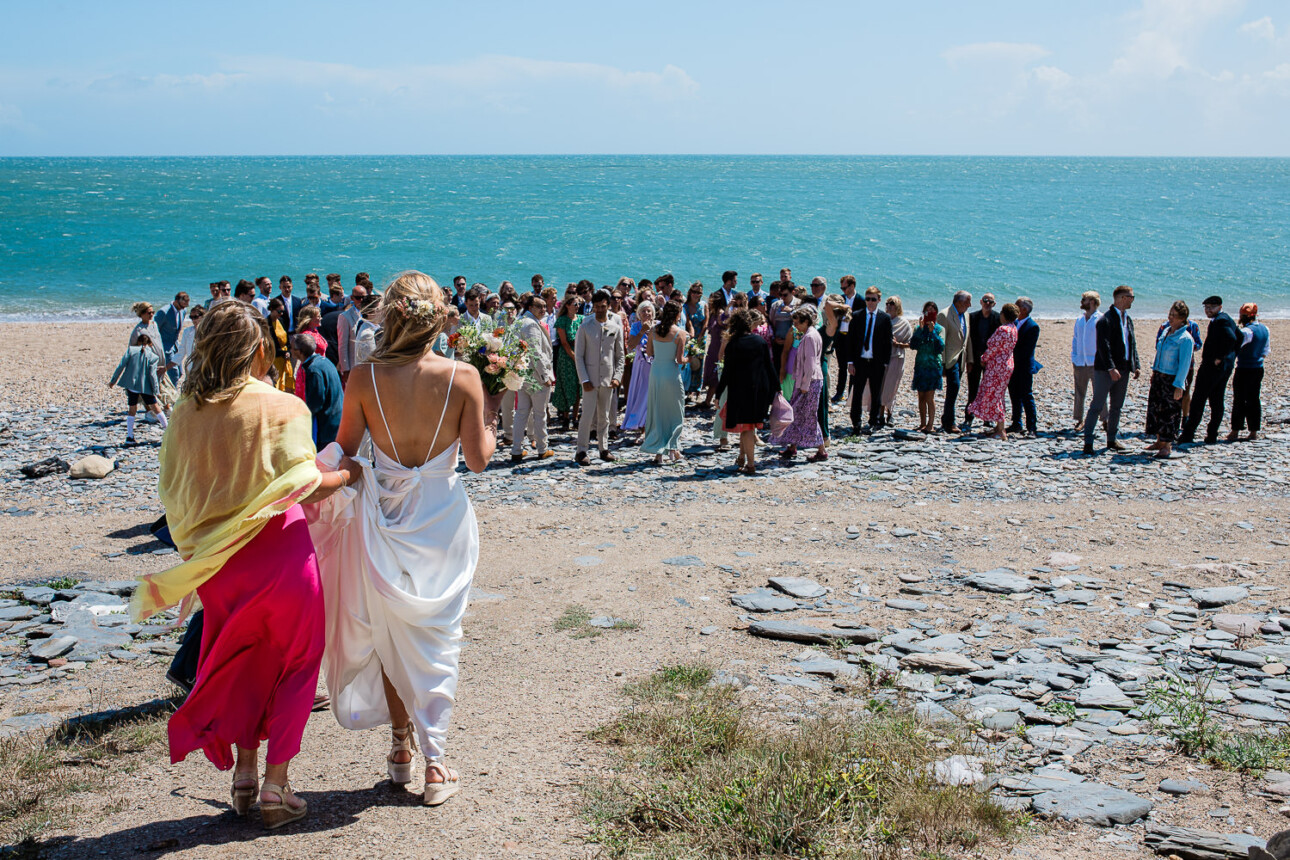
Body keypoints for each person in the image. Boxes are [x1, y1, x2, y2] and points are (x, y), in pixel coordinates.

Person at [132, 300, 353, 828]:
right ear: (258, 350)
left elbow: (174, 495)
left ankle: (245, 778)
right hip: (281, 553)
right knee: (297, 663)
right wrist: (348, 477)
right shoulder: (281, 406)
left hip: (221, 566)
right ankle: (277, 787)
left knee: (243, 663)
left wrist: (195, 555)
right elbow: (306, 482)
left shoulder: (184, 414)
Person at [307, 271, 493, 808]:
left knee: (391, 632)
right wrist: (491, 428)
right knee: (438, 636)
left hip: (386, 515)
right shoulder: (464, 377)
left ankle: (400, 749)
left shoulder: (365, 378)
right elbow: (478, 460)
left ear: (392, 315)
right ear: (438, 317)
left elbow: (343, 449)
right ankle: (436, 764)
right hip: (442, 518)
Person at [716, 309, 777, 475]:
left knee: (747, 427)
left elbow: (727, 372)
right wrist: (777, 388)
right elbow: (769, 366)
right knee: (748, 426)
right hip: (759, 389)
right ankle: (741, 456)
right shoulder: (759, 341)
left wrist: (718, 393)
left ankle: (751, 464)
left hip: (740, 389)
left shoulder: (733, 344)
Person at [1082, 285, 1139, 455]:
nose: (1132, 300)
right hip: (1106, 370)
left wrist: (1136, 365)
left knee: (1117, 406)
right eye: (1131, 297)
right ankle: (1088, 442)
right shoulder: (1105, 320)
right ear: (1122, 298)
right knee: (1097, 405)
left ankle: (1112, 439)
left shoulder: (1127, 319)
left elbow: (1132, 343)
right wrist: (1111, 367)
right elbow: (1103, 347)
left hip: (1124, 368)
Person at [1180, 295, 1241, 445]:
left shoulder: (1221, 321)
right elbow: (1239, 336)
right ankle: (1211, 435)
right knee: (1216, 399)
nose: (1208, 310)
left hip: (1212, 367)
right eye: (1206, 308)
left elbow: (1232, 338)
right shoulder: (1226, 319)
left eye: (1211, 307)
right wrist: (1232, 357)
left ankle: (1188, 434)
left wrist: (1221, 356)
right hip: (1223, 368)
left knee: (1199, 400)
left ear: (1220, 307)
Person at [574, 291, 625, 464]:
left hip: (608, 379)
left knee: (605, 415)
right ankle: (581, 450)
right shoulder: (585, 325)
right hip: (590, 378)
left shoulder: (615, 326)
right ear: (593, 307)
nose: (600, 310)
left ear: (608, 306)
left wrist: (617, 376)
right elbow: (579, 355)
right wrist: (584, 379)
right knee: (587, 415)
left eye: (603, 307)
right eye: (597, 307)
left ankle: (604, 448)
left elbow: (620, 355)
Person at [773, 305, 826, 462]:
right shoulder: (811, 334)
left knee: (808, 415)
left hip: (809, 382)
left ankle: (821, 450)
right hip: (809, 381)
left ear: (805, 321)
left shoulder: (809, 337)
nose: (794, 326)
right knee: (797, 413)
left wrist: (804, 386)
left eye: (797, 323)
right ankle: (792, 446)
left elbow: (810, 365)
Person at [1145, 301, 1196, 460]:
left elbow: (1185, 364)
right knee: (1156, 408)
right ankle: (1159, 440)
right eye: (1170, 314)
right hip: (1160, 374)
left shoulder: (1185, 338)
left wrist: (1179, 385)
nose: (1170, 318)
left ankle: (1167, 445)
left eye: (1174, 316)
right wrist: (1154, 371)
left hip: (1172, 378)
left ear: (1183, 319)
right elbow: (1159, 353)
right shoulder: (1166, 331)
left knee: (1169, 411)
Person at [640, 301, 689, 464]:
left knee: (658, 410)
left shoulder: (653, 330)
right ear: (677, 315)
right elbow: (679, 360)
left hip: (656, 372)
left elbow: (649, 352)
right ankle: (673, 448)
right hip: (671, 373)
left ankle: (658, 453)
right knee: (676, 411)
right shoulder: (680, 333)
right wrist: (691, 358)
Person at [511, 293, 555, 462]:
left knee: (521, 413)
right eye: (539, 306)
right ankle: (543, 448)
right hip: (536, 375)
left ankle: (516, 449)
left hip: (523, 374)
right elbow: (535, 352)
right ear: (530, 308)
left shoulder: (520, 322)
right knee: (539, 413)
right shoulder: (531, 325)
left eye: (544, 306)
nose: (543, 309)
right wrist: (545, 375)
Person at [968, 303, 1019, 440]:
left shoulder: (1003, 329)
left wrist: (983, 358)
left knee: (995, 394)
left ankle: (1001, 429)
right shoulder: (1013, 328)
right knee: (999, 393)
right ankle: (998, 426)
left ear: (1004, 314)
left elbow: (993, 347)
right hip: (1007, 363)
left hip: (997, 365)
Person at [847, 286, 893, 434]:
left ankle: (873, 421)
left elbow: (888, 342)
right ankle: (856, 422)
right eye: (868, 299)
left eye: (873, 299)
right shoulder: (857, 315)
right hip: (860, 361)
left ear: (879, 300)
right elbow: (851, 340)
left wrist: (885, 363)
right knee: (857, 392)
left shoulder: (884, 318)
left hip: (876, 362)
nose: (870, 302)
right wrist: (850, 362)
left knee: (876, 393)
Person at [109, 333, 166, 445]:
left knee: (132, 409)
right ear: (150, 344)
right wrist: (156, 390)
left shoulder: (131, 350)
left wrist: (113, 381)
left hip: (132, 385)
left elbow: (121, 366)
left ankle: (130, 436)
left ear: (138, 342)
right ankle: (168, 431)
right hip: (145, 386)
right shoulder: (153, 357)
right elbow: (152, 375)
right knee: (156, 407)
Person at [863, 295, 911, 427]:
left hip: (896, 357)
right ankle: (879, 414)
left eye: (892, 304)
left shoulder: (904, 323)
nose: (889, 306)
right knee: (879, 385)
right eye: (887, 303)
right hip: (880, 357)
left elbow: (911, 343)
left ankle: (889, 412)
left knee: (890, 386)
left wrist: (898, 344)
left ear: (898, 306)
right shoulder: (882, 319)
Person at [291, 335, 344, 448]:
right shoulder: (325, 362)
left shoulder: (314, 370)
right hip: (336, 423)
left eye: (292, 348)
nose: (290, 351)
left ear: (299, 352)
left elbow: (315, 403)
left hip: (327, 429)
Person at [1230, 302, 1270, 442]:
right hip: (1258, 368)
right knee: (1254, 399)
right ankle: (1253, 431)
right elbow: (1266, 351)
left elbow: (1236, 347)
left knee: (1239, 399)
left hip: (1244, 368)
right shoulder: (1265, 329)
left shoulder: (1247, 332)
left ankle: (1235, 430)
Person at [962, 294, 1000, 431]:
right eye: (985, 301)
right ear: (980, 302)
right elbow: (967, 340)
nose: (987, 303)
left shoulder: (998, 318)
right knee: (973, 389)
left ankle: (987, 418)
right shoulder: (972, 317)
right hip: (975, 358)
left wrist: (991, 358)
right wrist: (969, 360)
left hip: (991, 361)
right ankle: (969, 417)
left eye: (990, 301)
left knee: (989, 390)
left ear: (994, 304)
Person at [909, 301, 946, 434]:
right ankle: (922, 423)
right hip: (921, 365)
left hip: (933, 366)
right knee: (920, 396)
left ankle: (930, 424)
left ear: (935, 313)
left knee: (929, 397)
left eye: (931, 311)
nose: (929, 314)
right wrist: (919, 329)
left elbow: (940, 347)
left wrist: (932, 332)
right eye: (926, 311)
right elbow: (913, 345)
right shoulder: (919, 328)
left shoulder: (940, 329)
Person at [937, 291, 970, 433]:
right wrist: (942, 363)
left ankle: (947, 418)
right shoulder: (944, 315)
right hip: (950, 358)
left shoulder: (966, 315)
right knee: (954, 388)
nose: (970, 305)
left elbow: (967, 340)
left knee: (954, 390)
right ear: (960, 303)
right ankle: (950, 422)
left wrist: (970, 359)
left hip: (961, 357)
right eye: (968, 302)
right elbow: (941, 340)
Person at [622, 301, 656, 437]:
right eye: (644, 311)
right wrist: (642, 331)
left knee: (652, 393)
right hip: (641, 363)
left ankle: (650, 424)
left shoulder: (658, 325)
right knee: (641, 393)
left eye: (649, 311)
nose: (646, 314)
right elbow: (630, 345)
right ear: (639, 314)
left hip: (655, 363)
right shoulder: (636, 326)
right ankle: (640, 425)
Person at [1007, 297, 1040, 436]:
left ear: (1024, 309)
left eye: (1017, 306)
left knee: (1026, 395)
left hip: (1024, 366)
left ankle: (1032, 426)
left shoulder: (1032, 326)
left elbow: (1026, 349)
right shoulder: (1013, 323)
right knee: (1014, 395)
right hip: (1012, 366)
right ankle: (1016, 423)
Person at [1070, 291, 1102, 431]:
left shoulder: (1100, 319)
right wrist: (1074, 356)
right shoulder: (1080, 319)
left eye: (1085, 300)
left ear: (1093, 302)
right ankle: (1079, 419)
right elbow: (1076, 339)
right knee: (1079, 392)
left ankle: (1104, 419)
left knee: (1099, 392)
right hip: (1080, 361)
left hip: (1096, 362)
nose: (1082, 302)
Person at [552, 296, 583, 431]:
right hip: (566, 357)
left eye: (578, 304)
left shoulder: (582, 319)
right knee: (565, 385)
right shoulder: (562, 321)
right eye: (574, 304)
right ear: (567, 305)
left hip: (580, 353)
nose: (577, 306)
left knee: (578, 386)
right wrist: (573, 356)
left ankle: (575, 416)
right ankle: (565, 416)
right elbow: (564, 342)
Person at [831, 275, 859, 403]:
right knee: (841, 367)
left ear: (852, 286)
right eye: (841, 288)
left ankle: (852, 394)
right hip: (840, 336)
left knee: (853, 367)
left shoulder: (861, 300)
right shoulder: (840, 300)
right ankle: (839, 392)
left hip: (853, 338)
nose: (842, 290)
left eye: (845, 287)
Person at [700, 292, 729, 409]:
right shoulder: (712, 314)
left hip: (719, 346)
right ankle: (708, 400)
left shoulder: (721, 313)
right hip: (712, 347)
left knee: (715, 374)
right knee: (711, 372)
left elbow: (725, 325)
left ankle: (709, 401)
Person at [337, 282, 369, 384]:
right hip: (353, 364)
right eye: (358, 298)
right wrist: (345, 369)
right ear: (352, 298)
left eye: (364, 298)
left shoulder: (371, 313)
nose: (361, 301)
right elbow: (342, 345)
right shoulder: (345, 317)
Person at [156, 292, 190, 384]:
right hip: (165, 346)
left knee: (180, 373)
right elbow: (154, 329)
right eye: (182, 306)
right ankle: (172, 396)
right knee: (173, 374)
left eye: (185, 306)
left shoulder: (183, 311)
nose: (183, 308)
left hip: (175, 345)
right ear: (176, 301)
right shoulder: (163, 312)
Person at [266, 297, 296, 394]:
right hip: (275, 357)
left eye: (282, 311)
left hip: (285, 355)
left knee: (289, 377)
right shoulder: (267, 324)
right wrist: (283, 352)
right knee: (277, 380)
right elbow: (271, 344)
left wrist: (288, 351)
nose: (281, 314)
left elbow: (286, 337)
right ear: (272, 310)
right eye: (279, 311)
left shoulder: (281, 321)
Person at [170, 304, 205, 380]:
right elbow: (181, 352)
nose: (193, 320)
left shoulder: (208, 332)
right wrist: (166, 368)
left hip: (204, 371)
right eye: (191, 317)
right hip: (190, 370)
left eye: (195, 317)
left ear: (203, 317)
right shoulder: (187, 331)